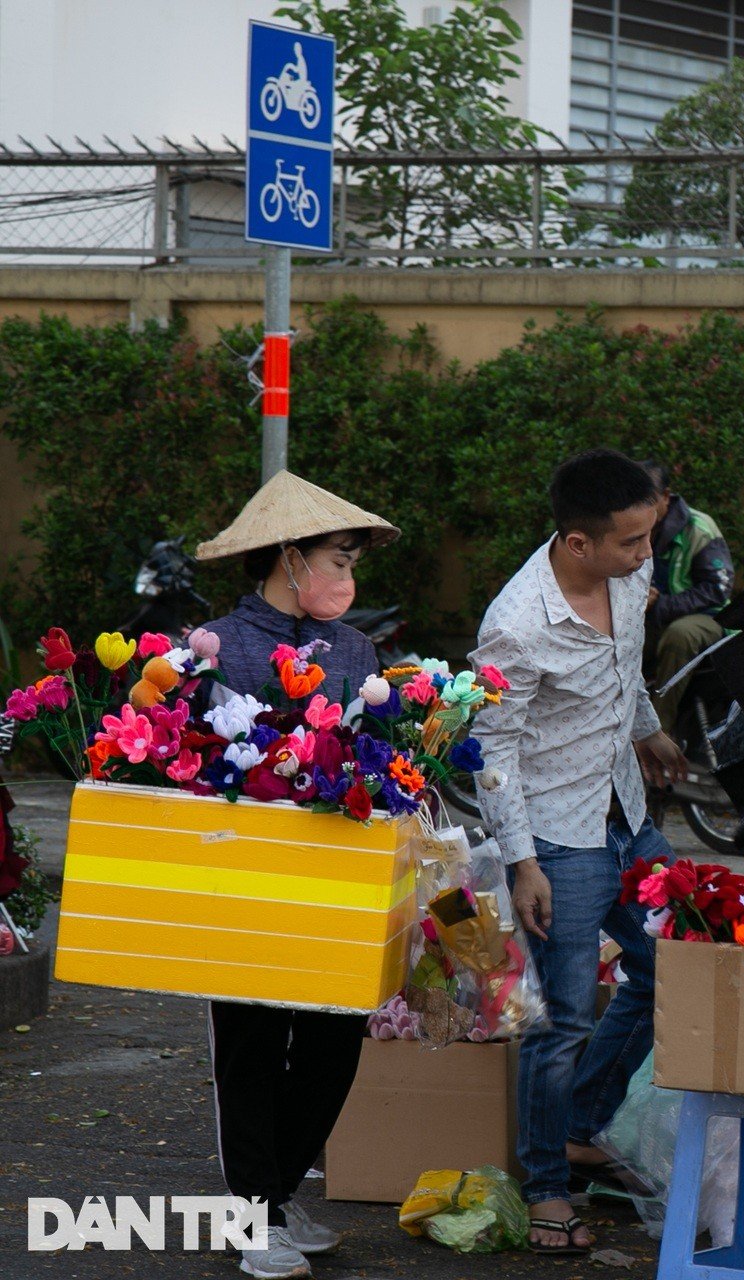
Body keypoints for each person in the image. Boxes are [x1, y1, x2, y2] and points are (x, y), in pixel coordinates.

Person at [470, 448, 689, 1255]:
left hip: (628, 816)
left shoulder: (628, 578)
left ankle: (582, 1124)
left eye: (649, 536)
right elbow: (491, 749)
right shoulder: (518, 624)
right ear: (575, 542)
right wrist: (522, 861)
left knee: (670, 968)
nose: (646, 558)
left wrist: (649, 729)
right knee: (561, 1021)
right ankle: (547, 1185)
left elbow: (624, 670)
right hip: (558, 837)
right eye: (630, 542)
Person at [192, 470, 400, 1280]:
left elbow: (380, 757)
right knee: (249, 1044)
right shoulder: (219, 646)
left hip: (336, 883)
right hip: (245, 881)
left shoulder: (357, 650)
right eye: (337, 559)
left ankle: (273, 1198)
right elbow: (202, 771)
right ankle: (253, 1214)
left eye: (352, 562)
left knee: (331, 1044)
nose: (347, 579)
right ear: (288, 556)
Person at [636, 460, 734, 734]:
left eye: (648, 501)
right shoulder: (627, 526)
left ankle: (658, 732)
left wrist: (661, 604)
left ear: (666, 497)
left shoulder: (699, 527)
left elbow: (718, 588)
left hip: (707, 619)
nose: (641, 509)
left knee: (681, 635)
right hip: (649, 617)